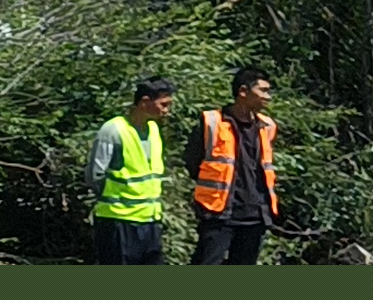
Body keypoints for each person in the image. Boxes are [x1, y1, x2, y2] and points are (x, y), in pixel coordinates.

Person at [191, 65, 281, 264]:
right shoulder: (212, 122)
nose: (268, 97)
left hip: (255, 215)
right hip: (219, 213)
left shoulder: (267, 126)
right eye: (263, 91)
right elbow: (192, 162)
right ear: (243, 91)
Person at [88, 77, 175, 264]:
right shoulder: (113, 130)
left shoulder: (153, 129)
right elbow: (95, 175)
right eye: (164, 105)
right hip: (118, 222)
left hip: (150, 220)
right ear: (144, 102)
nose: (167, 111)